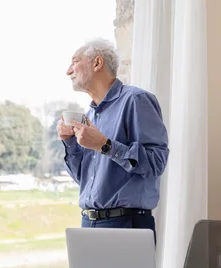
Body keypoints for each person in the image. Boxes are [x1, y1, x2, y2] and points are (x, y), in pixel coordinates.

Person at [56, 38, 169, 241]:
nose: (68, 71)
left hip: (126, 225)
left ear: (97, 63)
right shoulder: (89, 116)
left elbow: (156, 163)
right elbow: (85, 180)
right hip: (88, 224)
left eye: (74, 61)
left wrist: (104, 145)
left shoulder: (136, 100)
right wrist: (70, 143)